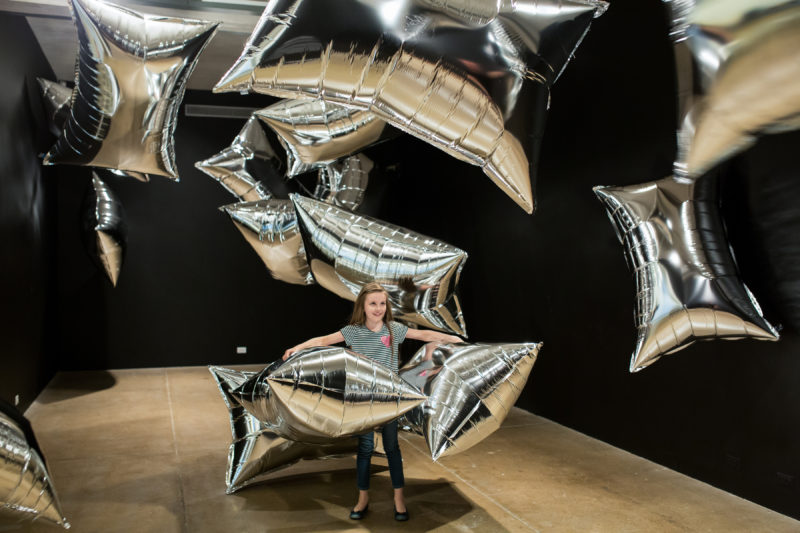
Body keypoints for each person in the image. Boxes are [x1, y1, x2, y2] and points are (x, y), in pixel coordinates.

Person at [283, 281, 461, 522]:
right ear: (363, 306)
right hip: (363, 400)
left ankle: (399, 498)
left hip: (389, 399)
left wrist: (450, 337)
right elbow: (323, 340)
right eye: (373, 303)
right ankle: (363, 498)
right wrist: (297, 347)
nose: (378, 308)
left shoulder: (393, 329)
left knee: (391, 449)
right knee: (365, 449)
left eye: (382, 303)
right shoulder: (354, 332)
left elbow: (423, 334)